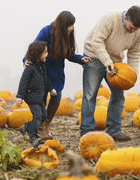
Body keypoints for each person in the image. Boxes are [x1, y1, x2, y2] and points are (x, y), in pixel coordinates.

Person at [80, 5, 140, 141]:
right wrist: (106, 62)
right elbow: (96, 41)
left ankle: (114, 130)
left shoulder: (139, 32)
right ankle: (87, 131)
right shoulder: (109, 18)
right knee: (90, 94)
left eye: (136, 29)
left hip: (115, 60)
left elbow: (134, 52)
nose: (133, 31)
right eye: (131, 27)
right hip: (94, 56)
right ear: (126, 18)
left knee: (118, 95)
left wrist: (132, 73)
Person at [23, 11, 90, 139]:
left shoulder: (67, 34)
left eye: (72, 25)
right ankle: (40, 128)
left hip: (56, 73)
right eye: (69, 25)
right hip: (41, 71)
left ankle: (45, 124)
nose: (71, 28)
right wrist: (26, 60)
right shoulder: (46, 32)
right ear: (61, 24)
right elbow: (34, 48)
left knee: (56, 97)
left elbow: (68, 53)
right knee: (41, 101)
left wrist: (80, 59)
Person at [17, 41, 57, 145]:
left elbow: (46, 80)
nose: (47, 54)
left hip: (40, 97)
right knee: (38, 116)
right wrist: (19, 96)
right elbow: (23, 82)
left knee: (44, 116)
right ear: (37, 54)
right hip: (31, 97)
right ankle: (32, 136)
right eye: (45, 52)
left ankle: (26, 126)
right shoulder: (30, 68)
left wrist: (51, 89)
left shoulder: (42, 67)